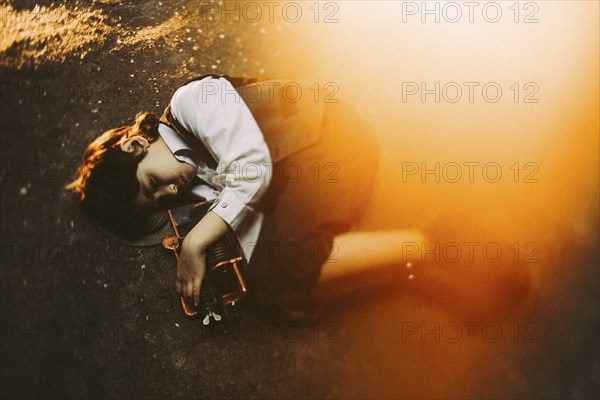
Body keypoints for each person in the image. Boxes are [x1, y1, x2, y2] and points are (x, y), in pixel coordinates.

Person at [64, 75, 438, 317]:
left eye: (152, 183)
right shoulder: (189, 187)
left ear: (135, 145)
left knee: (287, 267)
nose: (171, 191)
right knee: (270, 281)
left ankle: (428, 244)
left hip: (330, 138)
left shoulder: (192, 101)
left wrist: (195, 243)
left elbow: (252, 171)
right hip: (303, 178)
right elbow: (249, 225)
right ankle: (400, 267)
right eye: (159, 200)